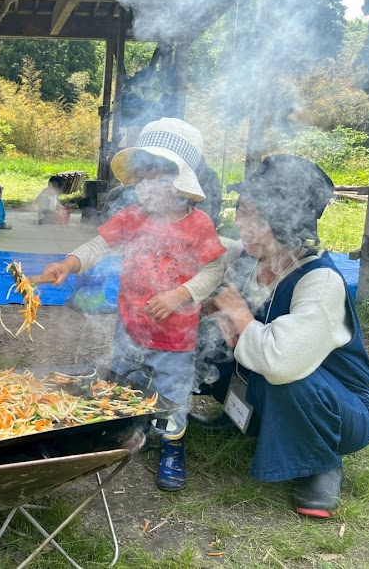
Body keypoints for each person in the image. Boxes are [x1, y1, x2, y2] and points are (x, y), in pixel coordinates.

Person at [40, 118, 226, 491]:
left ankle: (172, 445)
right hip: (130, 324)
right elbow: (98, 246)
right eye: (138, 178)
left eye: (151, 178)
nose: (141, 187)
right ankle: (130, 429)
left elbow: (214, 269)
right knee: (126, 381)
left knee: (172, 394)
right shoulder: (133, 217)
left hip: (175, 336)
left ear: (178, 184)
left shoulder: (198, 225)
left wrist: (180, 294)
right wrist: (68, 263)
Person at [193, 154, 369, 518]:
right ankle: (241, 416)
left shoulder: (320, 280)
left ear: (284, 221)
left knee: (289, 377)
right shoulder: (251, 261)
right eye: (241, 210)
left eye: (252, 214)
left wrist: (241, 315)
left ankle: (322, 462)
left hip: (341, 409)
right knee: (208, 339)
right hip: (283, 381)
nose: (240, 222)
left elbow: (281, 363)